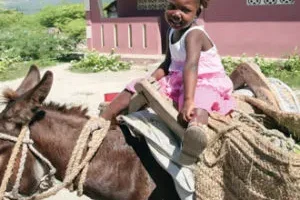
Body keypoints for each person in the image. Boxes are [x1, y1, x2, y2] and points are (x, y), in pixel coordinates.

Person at [100, 0, 235, 165]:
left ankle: (193, 141)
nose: (176, 13)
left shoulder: (195, 34)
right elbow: (167, 63)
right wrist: (149, 80)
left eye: (185, 10)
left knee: (199, 103)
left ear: (197, 14)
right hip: (178, 77)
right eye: (172, 7)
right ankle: (102, 120)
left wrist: (188, 101)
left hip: (202, 79)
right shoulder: (171, 32)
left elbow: (191, 65)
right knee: (134, 86)